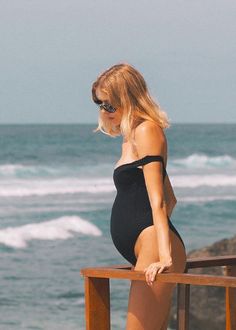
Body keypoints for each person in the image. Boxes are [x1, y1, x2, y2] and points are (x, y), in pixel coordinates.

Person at [92, 63, 186, 330]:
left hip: (154, 250)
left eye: (109, 105)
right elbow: (172, 197)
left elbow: (160, 200)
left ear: (128, 98)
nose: (104, 111)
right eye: (99, 103)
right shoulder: (130, 136)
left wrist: (164, 257)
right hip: (146, 248)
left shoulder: (146, 130)